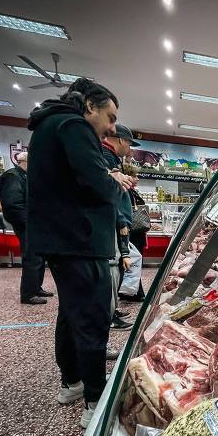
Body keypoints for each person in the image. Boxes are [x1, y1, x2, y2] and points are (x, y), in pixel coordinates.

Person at [26, 78, 134, 428]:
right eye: (110, 116)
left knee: (71, 315)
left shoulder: (49, 125)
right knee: (91, 320)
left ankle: (71, 383)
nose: (112, 126)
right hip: (81, 241)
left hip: (62, 241)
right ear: (90, 106)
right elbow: (96, 185)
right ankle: (94, 401)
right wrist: (113, 181)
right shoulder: (74, 126)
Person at [0, 152, 53, 305]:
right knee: (32, 257)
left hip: (34, 222)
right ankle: (28, 294)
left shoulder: (25, 177)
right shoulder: (12, 176)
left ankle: (36, 287)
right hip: (26, 223)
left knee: (39, 257)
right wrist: (30, 222)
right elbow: (13, 205)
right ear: (24, 161)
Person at [101, 124, 140, 330]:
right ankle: (108, 317)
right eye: (130, 144)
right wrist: (122, 223)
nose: (130, 150)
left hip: (114, 225)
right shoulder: (105, 158)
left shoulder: (110, 159)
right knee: (113, 272)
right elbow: (111, 199)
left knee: (117, 270)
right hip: (111, 227)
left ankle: (112, 311)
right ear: (122, 141)